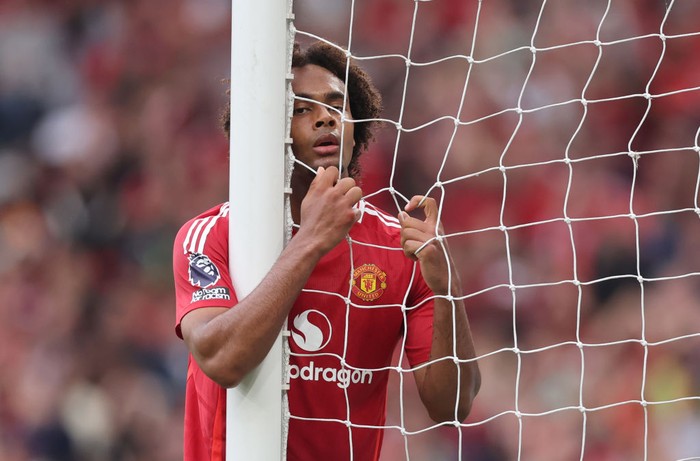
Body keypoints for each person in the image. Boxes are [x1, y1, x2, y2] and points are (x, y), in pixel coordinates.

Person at [173, 41, 481, 461]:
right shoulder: (210, 235)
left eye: (338, 105)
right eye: (302, 109)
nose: (325, 118)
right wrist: (312, 240)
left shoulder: (400, 248)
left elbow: (451, 407)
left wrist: (447, 288)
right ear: (265, 128)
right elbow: (221, 358)